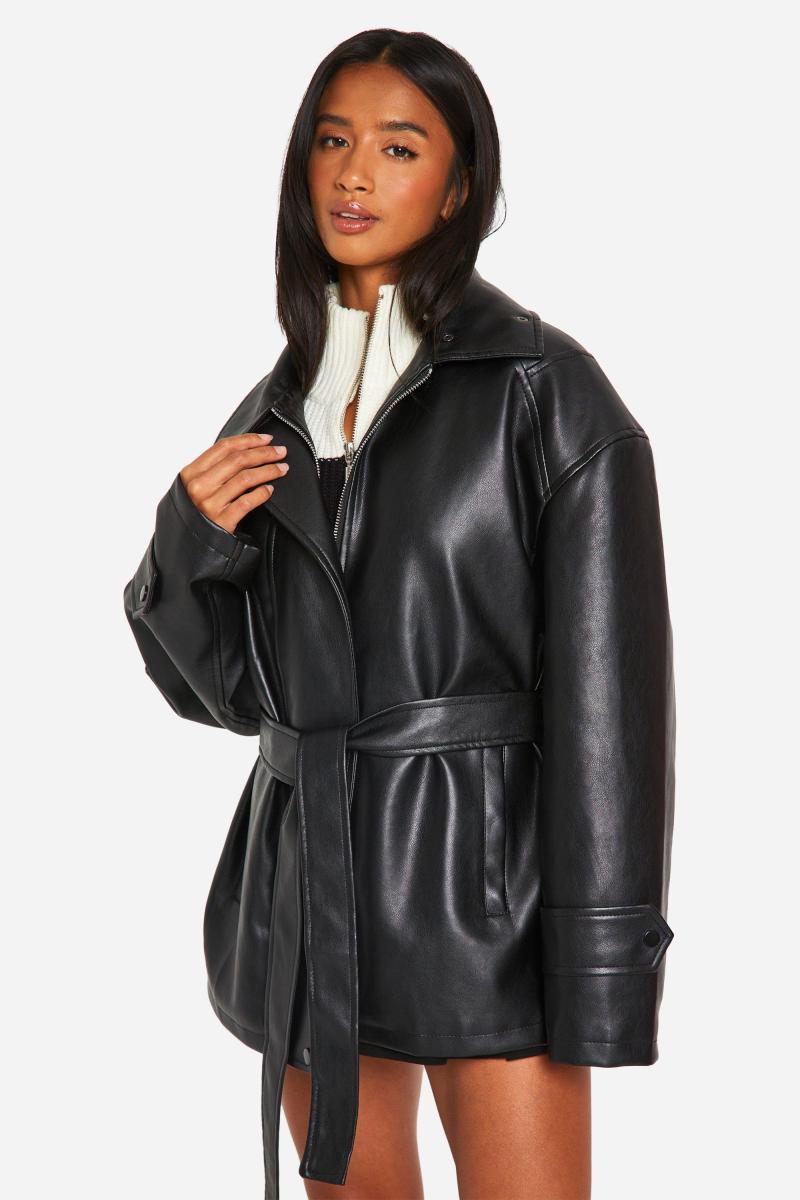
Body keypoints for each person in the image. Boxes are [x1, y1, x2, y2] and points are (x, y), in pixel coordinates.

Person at [123, 28, 676, 1200]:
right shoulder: (274, 410)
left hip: (492, 909)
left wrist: (601, 970)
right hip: (308, 901)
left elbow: (609, 719)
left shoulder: (545, 393)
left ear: (459, 186)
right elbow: (230, 697)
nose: (353, 174)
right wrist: (187, 544)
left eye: (397, 146)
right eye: (331, 142)